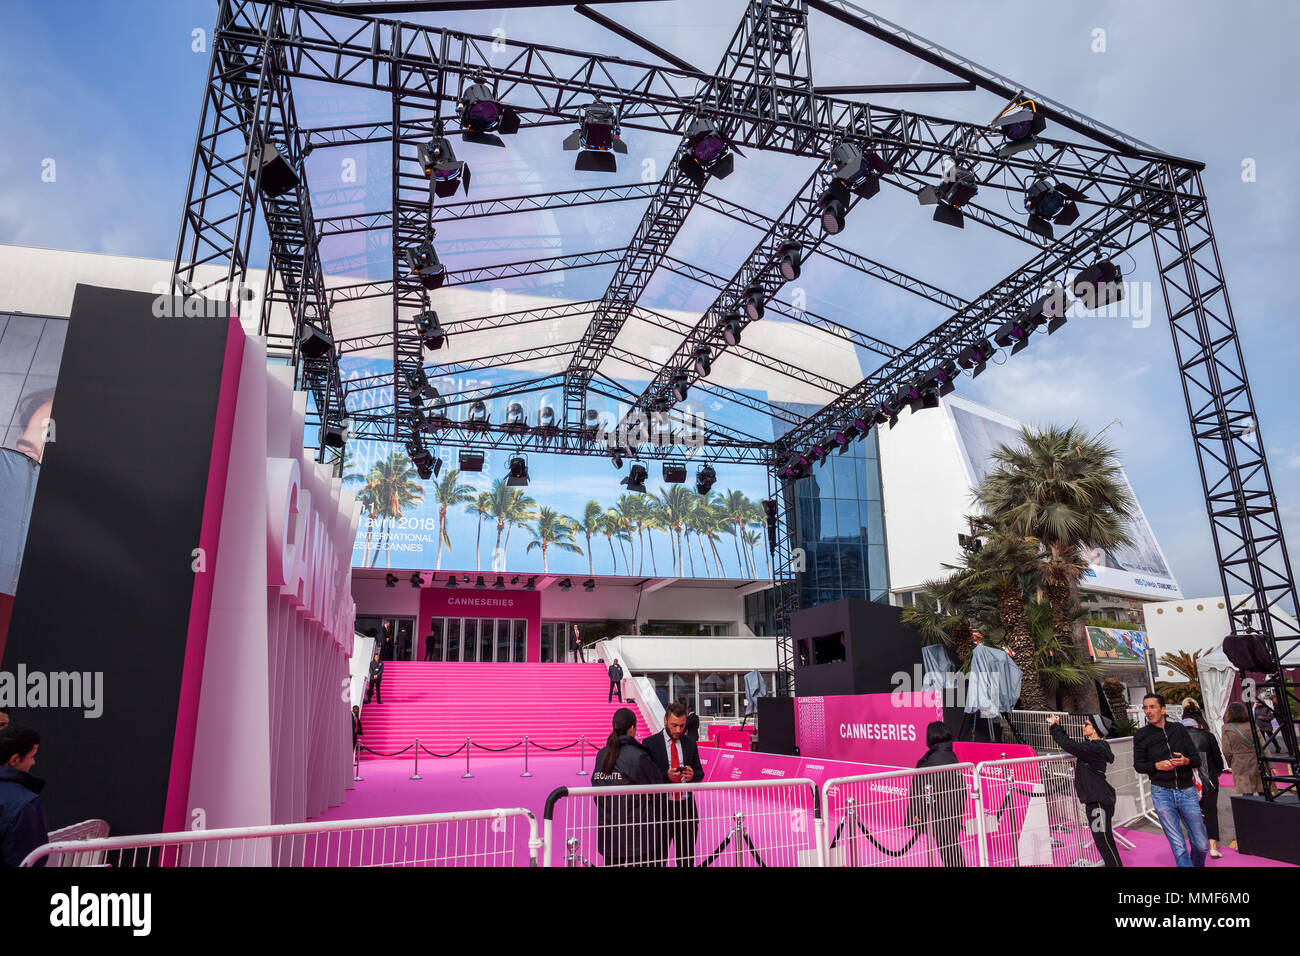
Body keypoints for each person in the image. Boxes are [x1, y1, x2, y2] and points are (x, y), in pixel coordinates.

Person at [1133, 693, 1208, 867]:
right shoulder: (1141, 735)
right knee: (1179, 847)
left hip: (1187, 791)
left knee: (1202, 845)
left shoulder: (1178, 729)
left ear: (1163, 710)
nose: (1148, 711)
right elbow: (1139, 765)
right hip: (1162, 793)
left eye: (1152, 707)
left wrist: (1185, 761)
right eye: (1145, 707)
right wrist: (1157, 765)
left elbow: (1196, 759)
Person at [1047, 714, 1122, 867]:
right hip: (1098, 800)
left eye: (1087, 724)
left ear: (1095, 729)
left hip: (1098, 802)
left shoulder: (1094, 748)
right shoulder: (1097, 746)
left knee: (1103, 842)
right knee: (1105, 841)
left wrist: (1055, 726)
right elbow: (1074, 745)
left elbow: (1068, 744)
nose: (1083, 726)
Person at [592, 708, 661, 866]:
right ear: (632, 729)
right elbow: (657, 784)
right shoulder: (638, 755)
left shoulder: (602, 755)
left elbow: (596, 790)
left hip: (608, 829)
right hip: (636, 833)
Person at [643, 701, 705, 867]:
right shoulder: (650, 743)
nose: (678, 730)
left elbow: (700, 773)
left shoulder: (690, 743)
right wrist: (666, 777)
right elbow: (645, 778)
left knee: (686, 860)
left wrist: (692, 775)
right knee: (656, 860)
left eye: (682, 725)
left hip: (686, 810)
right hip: (659, 812)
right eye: (674, 725)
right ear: (665, 721)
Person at [906, 722, 966, 867]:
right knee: (950, 844)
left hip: (942, 809)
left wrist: (917, 814)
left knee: (947, 845)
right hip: (951, 806)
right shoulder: (948, 753)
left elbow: (926, 788)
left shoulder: (936, 759)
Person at [1180, 701, 1225, 859]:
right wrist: (1216, 773)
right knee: (1211, 812)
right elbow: (1218, 761)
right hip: (1209, 781)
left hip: (1187, 782)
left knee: (1191, 815)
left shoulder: (1177, 738)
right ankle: (1213, 847)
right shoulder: (1208, 736)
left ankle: (1198, 845)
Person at [0, 725, 48, 867]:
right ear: (14, 760)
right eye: (31, 757)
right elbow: (29, 860)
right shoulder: (24, 803)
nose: (33, 762)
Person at [1220, 701, 1264, 797]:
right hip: (1256, 759)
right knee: (1263, 789)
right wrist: (1270, 764)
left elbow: (1226, 750)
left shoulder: (1227, 728)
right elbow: (1263, 745)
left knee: (1247, 791)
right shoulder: (1252, 725)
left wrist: (1231, 763)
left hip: (1239, 762)